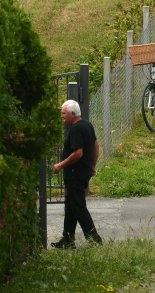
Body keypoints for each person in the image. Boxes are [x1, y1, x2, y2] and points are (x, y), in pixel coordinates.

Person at [51, 99, 102, 248]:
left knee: (78, 207)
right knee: (70, 206)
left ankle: (95, 240)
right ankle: (67, 240)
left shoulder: (75, 129)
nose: (62, 116)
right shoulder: (87, 125)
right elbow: (96, 146)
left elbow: (78, 153)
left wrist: (60, 165)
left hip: (75, 174)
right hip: (84, 172)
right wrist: (92, 165)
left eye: (64, 113)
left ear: (73, 114)